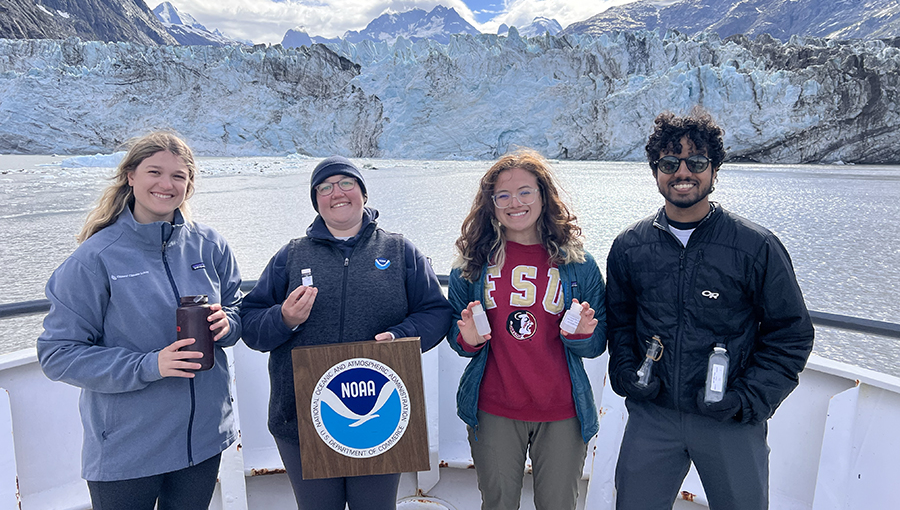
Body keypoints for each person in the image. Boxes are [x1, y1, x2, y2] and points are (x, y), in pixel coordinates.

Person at [606, 109, 815, 510]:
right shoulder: (630, 246)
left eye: (696, 162)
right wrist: (626, 374)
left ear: (714, 171)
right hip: (654, 418)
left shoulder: (755, 246)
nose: (682, 172)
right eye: (669, 163)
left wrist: (746, 399)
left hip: (730, 419)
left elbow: (791, 334)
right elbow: (620, 322)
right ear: (655, 172)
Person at [37, 132, 243, 510]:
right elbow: (58, 353)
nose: (166, 185)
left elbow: (236, 306)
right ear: (130, 176)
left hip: (202, 442)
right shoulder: (96, 258)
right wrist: (151, 365)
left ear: (189, 184)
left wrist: (228, 324)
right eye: (154, 172)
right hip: (128, 450)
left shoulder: (209, 245)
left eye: (178, 176)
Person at [240, 155, 453, 510]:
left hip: (380, 418)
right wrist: (285, 318)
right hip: (302, 419)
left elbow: (435, 313)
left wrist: (401, 335)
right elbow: (251, 325)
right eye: (324, 187)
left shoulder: (400, 251)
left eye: (346, 183)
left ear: (363, 193)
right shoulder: (290, 256)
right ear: (316, 201)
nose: (336, 193)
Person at [447, 149, 606, 510]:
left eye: (525, 192)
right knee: (499, 504)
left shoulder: (579, 265)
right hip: (495, 408)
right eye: (502, 195)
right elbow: (457, 338)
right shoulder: (471, 266)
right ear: (490, 204)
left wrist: (581, 335)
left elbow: (596, 343)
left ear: (543, 196)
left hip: (563, 410)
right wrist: (467, 340)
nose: (514, 203)